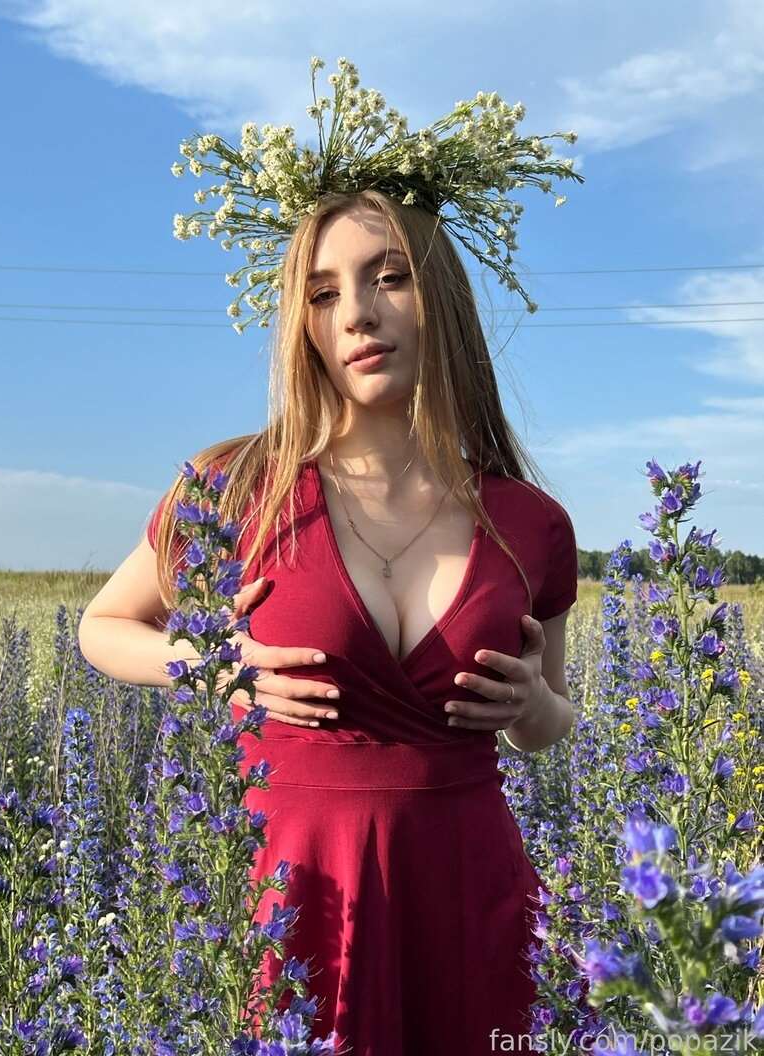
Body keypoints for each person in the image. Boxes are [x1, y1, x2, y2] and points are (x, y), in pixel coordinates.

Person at [78, 58, 582, 1055]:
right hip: (290, 893)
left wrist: (531, 703)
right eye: (322, 293)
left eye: (388, 277)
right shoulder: (233, 486)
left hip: (472, 892)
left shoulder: (532, 523)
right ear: (301, 324)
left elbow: (550, 724)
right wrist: (209, 661)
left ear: (439, 295)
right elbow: (103, 626)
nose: (356, 312)